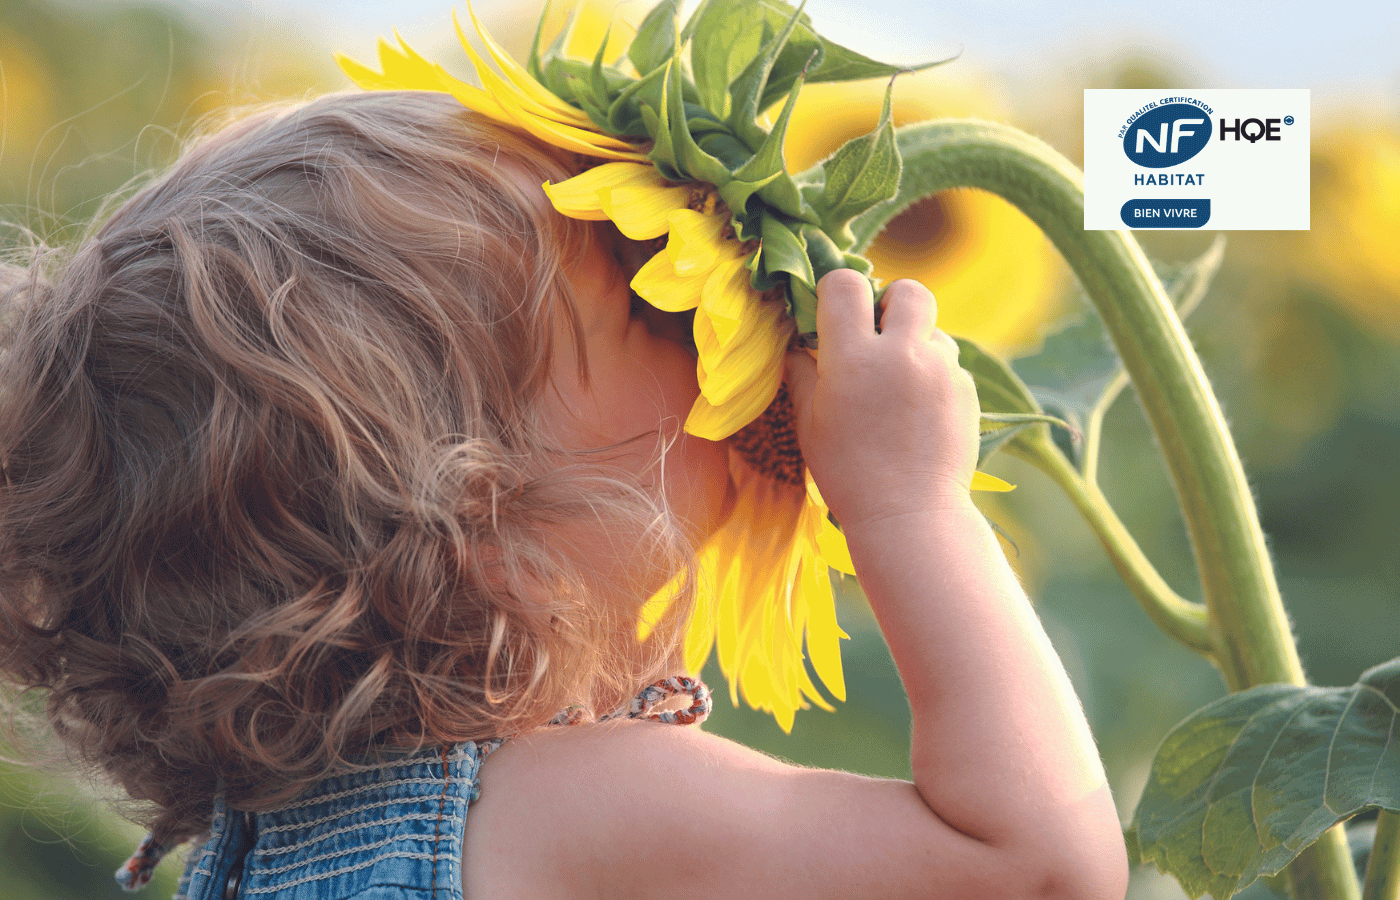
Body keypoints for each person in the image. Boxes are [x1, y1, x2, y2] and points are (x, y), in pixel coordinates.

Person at [0, 90, 1129, 899]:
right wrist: (910, 505)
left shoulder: (265, 838)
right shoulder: (577, 811)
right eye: (650, 306)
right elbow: (1031, 865)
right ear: (484, 532)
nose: (709, 336)